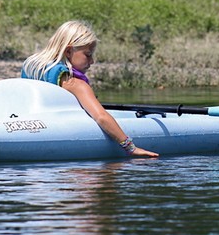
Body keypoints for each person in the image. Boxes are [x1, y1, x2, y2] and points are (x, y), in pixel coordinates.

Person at [21, 20, 159, 157]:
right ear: (68, 51)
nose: (92, 61)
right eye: (88, 54)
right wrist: (131, 148)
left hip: (27, 125)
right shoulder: (74, 83)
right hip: (53, 134)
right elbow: (101, 117)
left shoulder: (32, 66)